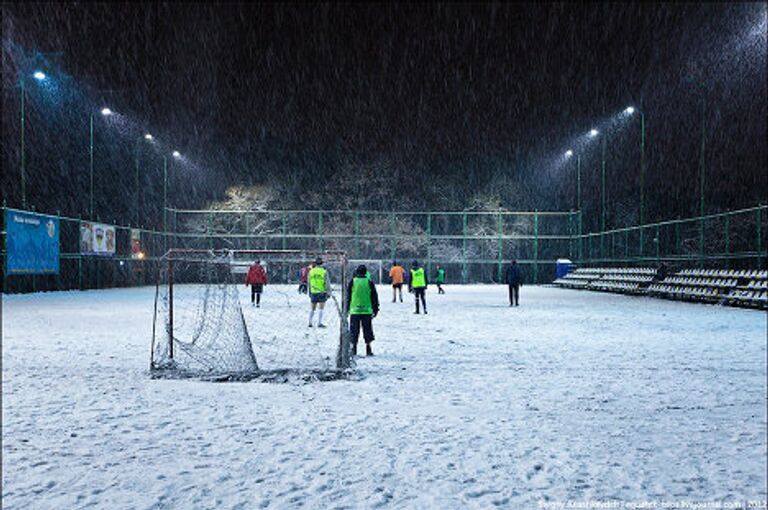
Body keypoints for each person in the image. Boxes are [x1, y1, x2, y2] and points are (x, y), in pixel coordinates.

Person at [346, 264, 380, 356]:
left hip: (354, 310)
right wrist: (376, 309)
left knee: (354, 330)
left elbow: (348, 296)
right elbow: (374, 297)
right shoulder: (369, 282)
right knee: (367, 329)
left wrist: (346, 309)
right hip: (367, 310)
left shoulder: (352, 282)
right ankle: (368, 348)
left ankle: (354, 349)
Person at [308, 257, 332, 328]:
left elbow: (309, 282)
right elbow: (327, 283)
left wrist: (310, 292)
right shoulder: (324, 271)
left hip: (313, 291)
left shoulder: (311, 271)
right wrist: (328, 292)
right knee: (321, 308)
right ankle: (319, 322)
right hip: (321, 291)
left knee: (312, 308)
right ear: (322, 263)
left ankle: (310, 322)